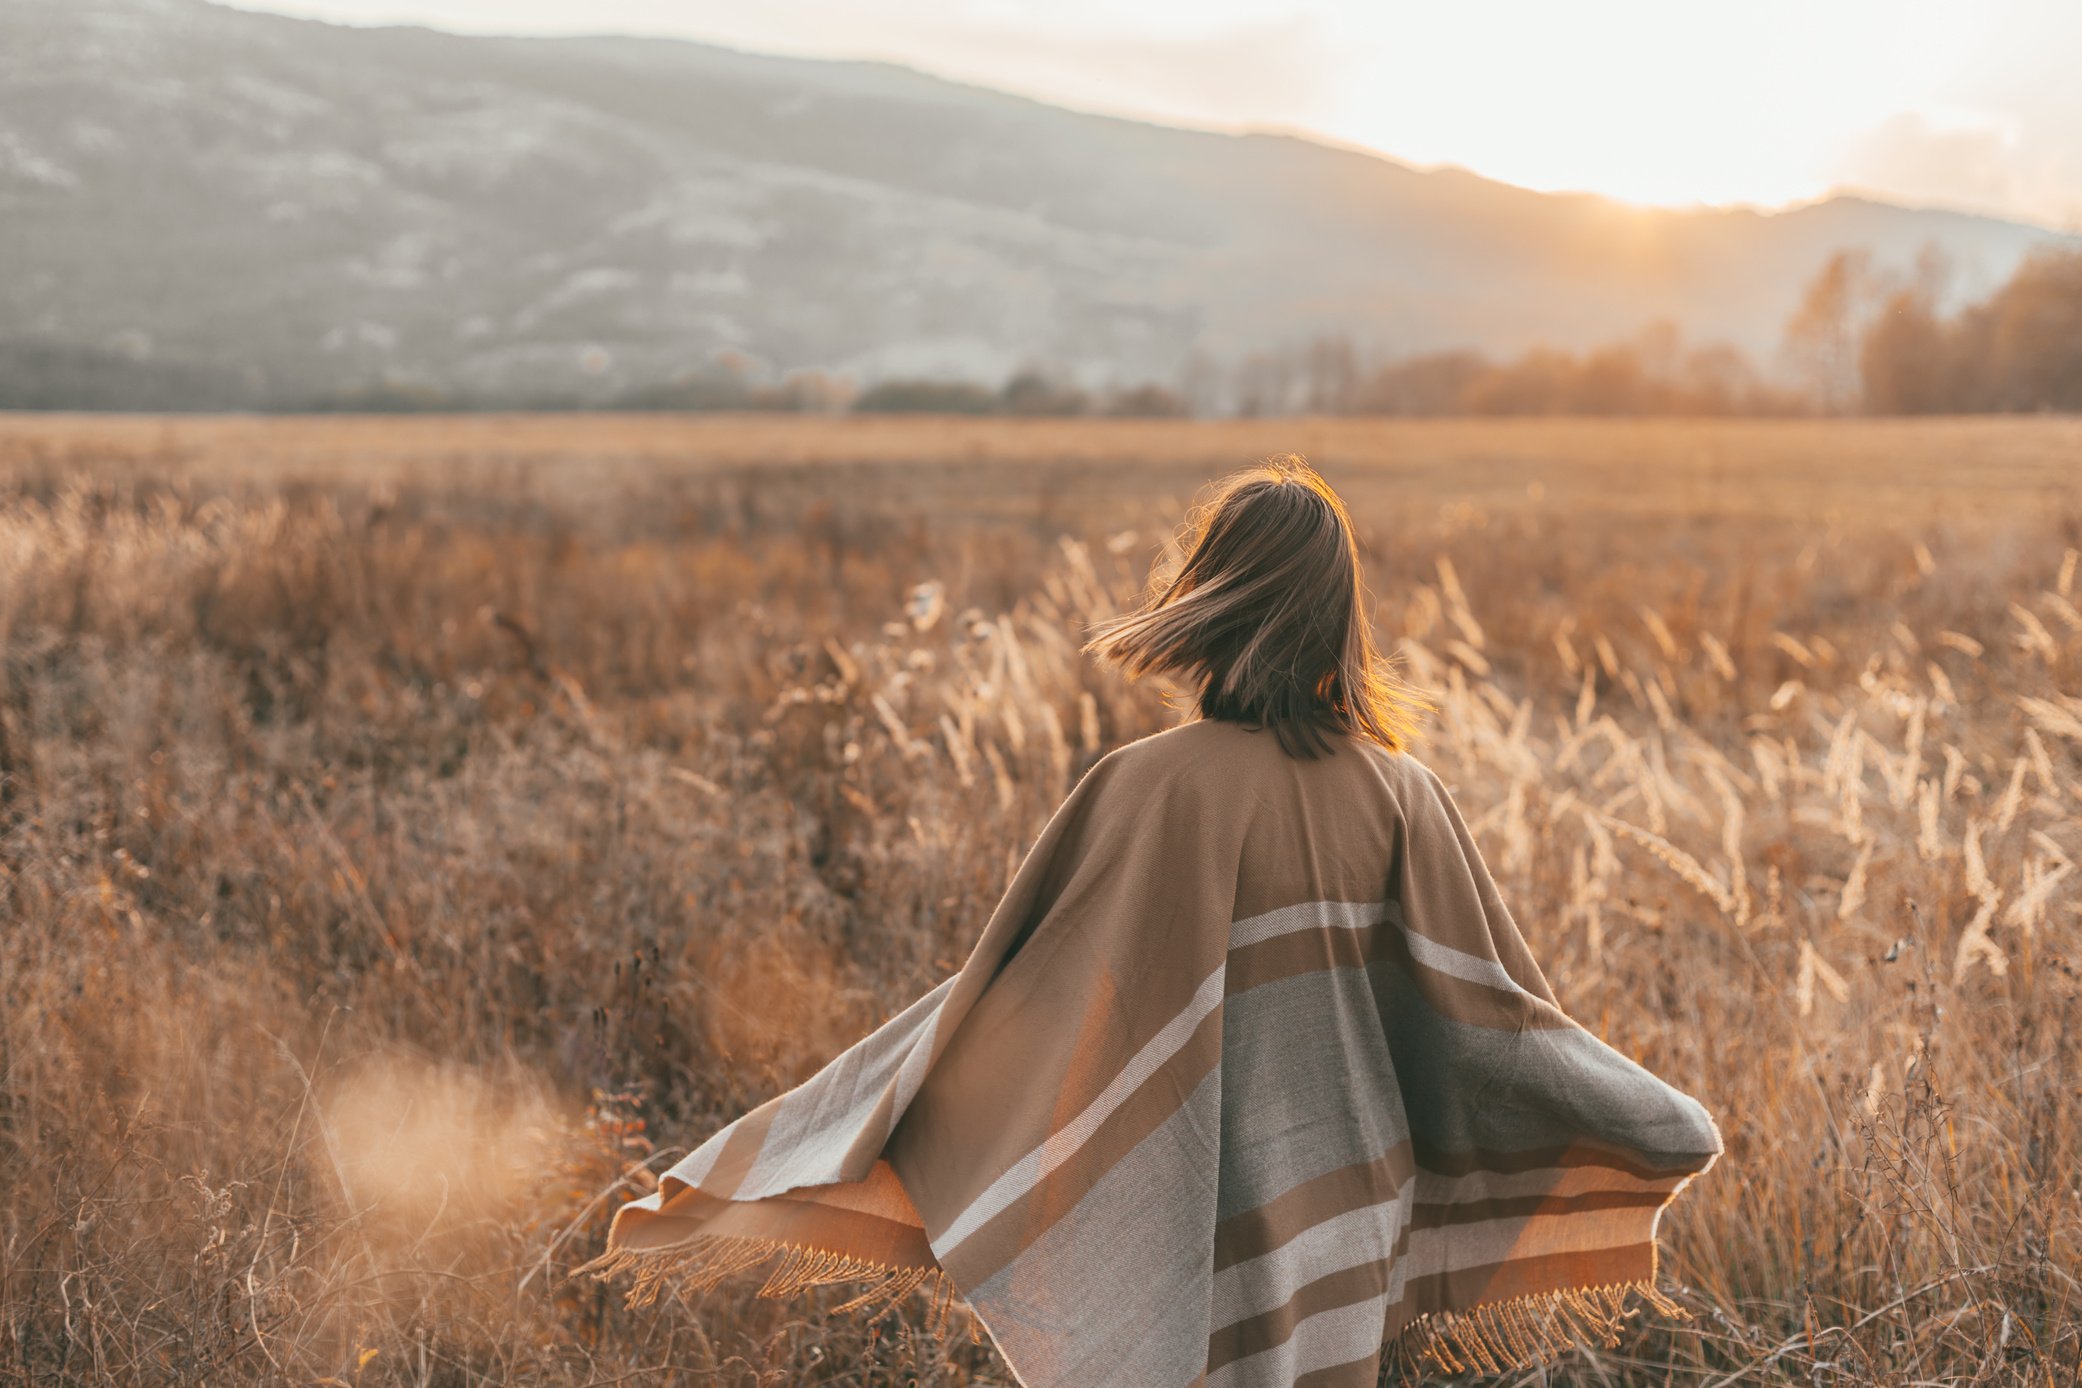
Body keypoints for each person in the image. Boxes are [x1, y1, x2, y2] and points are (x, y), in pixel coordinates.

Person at [583, 456, 1722, 1386]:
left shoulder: (1148, 785)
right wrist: (1652, 1115)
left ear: (1209, 594)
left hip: (1200, 1192)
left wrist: (809, 1133)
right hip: (1351, 1204)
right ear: (1337, 613)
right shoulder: (1401, 791)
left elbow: (1011, 1000)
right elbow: (1493, 1015)